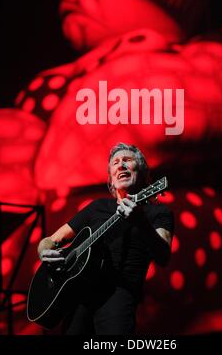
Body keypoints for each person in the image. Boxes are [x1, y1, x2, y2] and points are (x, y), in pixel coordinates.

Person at [37, 142, 174, 335]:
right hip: (80, 297)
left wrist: (140, 221)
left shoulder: (157, 213)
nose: (121, 165)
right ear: (111, 179)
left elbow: (163, 256)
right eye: (116, 163)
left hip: (119, 295)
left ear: (142, 173)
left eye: (127, 160)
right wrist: (44, 252)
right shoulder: (97, 207)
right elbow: (50, 241)